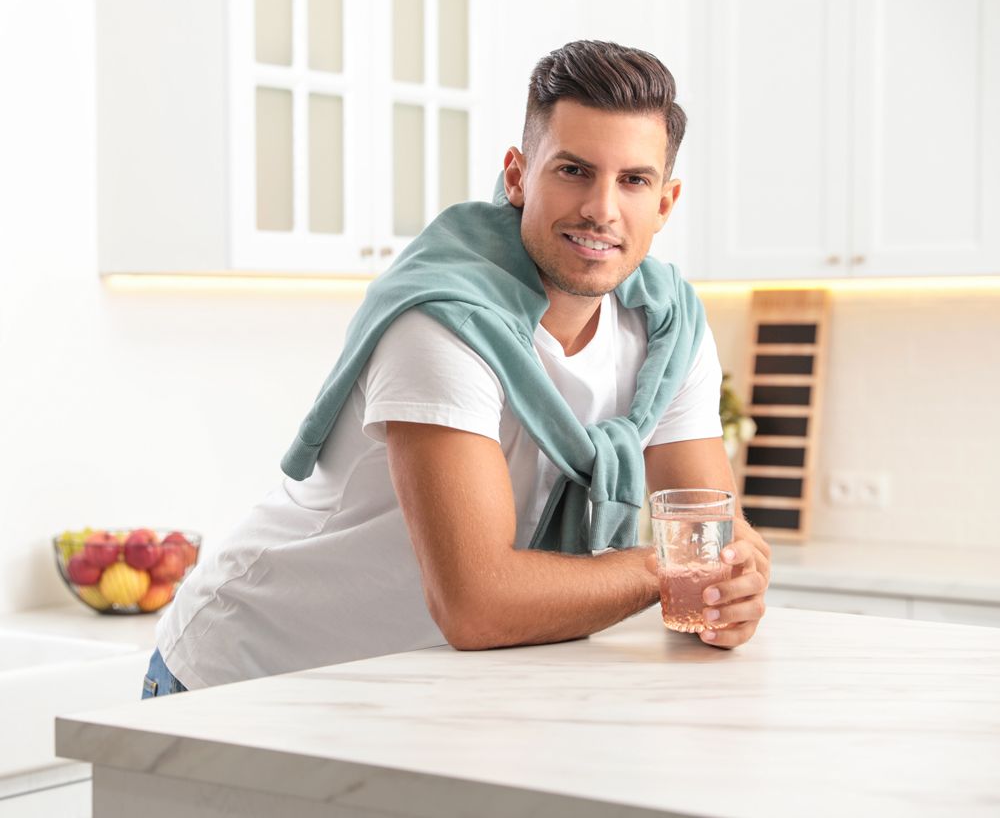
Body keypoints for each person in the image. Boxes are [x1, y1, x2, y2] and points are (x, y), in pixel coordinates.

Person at [141, 39, 770, 699]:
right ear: (519, 174)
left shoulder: (669, 330)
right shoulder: (443, 325)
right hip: (247, 679)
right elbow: (478, 601)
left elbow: (716, 543)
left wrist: (736, 590)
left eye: (633, 180)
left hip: (409, 688)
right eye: (574, 170)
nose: (602, 209)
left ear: (665, 203)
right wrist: (667, 567)